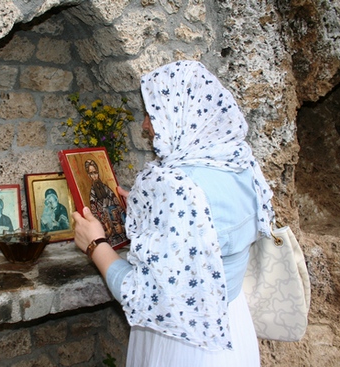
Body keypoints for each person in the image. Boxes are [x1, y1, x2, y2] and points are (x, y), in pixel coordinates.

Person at [71, 60, 274, 367]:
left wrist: (94, 243)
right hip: (233, 329)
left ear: (182, 115)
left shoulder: (172, 185)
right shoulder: (242, 165)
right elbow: (200, 232)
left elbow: (144, 293)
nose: (145, 125)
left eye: (152, 114)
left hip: (183, 346)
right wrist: (147, 209)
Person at [85, 159, 127, 247]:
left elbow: (120, 209)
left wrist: (122, 227)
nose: (94, 176)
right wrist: (106, 232)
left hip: (122, 235)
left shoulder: (109, 191)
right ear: (88, 176)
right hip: (108, 241)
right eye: (91, 173)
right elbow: (95, 218)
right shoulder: (92, 198)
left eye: (95, 172)